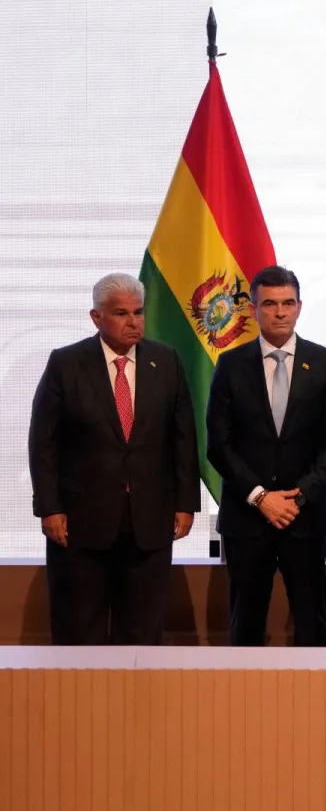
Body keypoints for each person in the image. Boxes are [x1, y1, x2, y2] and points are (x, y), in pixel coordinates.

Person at [28, 272, 200, 644]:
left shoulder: (166, 361)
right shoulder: (66, 363)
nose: (133, 322)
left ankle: (138, 703)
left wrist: (186, 503)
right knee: (79, 631)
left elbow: (183, 438)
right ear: (96, 317)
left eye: (138, 312)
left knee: (141, 631)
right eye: (121, 313)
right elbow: (43, 443)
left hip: (149, 521)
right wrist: (49, 508)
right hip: (80, 523)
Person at [207, 265, 326, 646]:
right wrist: (260, 498)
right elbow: (218, 444)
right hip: (247, 518)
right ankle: (243, 704)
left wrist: (299, 496)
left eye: (288, 303)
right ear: (254, 310)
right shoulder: (230, 364)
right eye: (270, 304)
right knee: (246, 623)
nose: (280, 312)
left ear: (300, 307)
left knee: (311, 621)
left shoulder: (325, 362)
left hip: (305, 517)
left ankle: (314, 703)